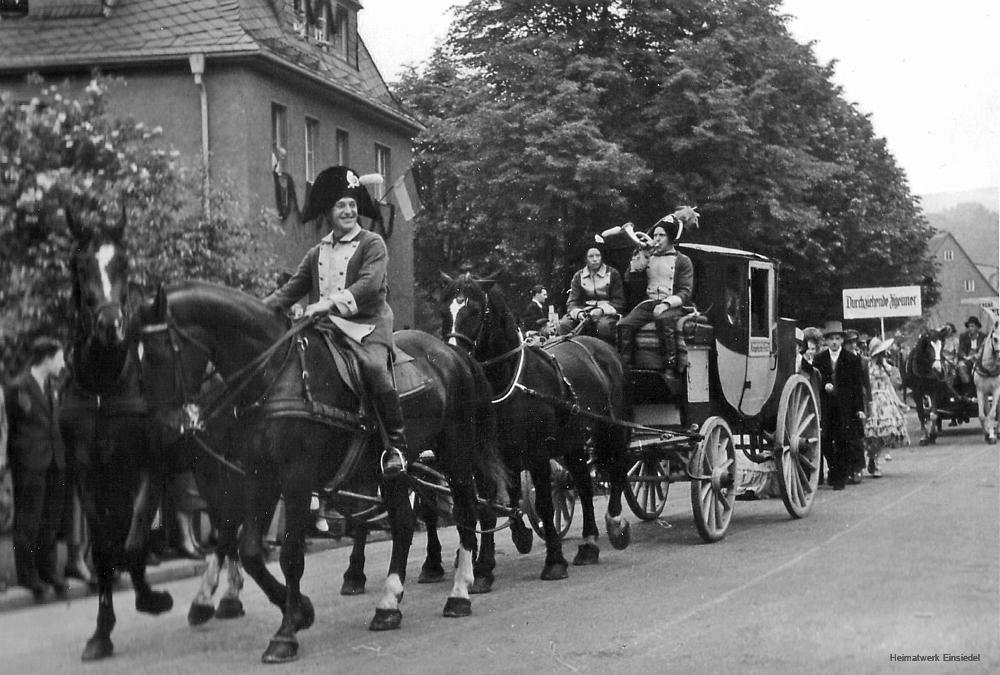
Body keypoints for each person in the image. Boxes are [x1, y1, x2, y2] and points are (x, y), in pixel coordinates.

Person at [264, 165, 407, 477]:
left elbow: (369, 285)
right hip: (329, 330)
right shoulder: (317, 250)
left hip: (368, 327)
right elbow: (290, 291)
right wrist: (257, 310)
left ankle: (395, 446)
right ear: (329, 212)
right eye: (341, 205)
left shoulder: (373, 244)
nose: (348, 211)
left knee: (373, 368)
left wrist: (326, 303)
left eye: (353, 205)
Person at [5, 337, 69, 600]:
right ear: (47, 358)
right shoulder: (19, 387)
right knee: (28, 521)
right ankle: (28, 575)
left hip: (54, 461)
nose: (63, 363)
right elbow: (10, 426)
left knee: (50, 521)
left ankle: (48, 571)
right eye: (60, 358)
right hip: (30, 463)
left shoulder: (52, 386)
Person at [616, 214, 694, 371]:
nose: (657, 239)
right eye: (655, 235)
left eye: (662, 235)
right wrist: (640, 258)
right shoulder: (648, 256)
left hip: (673, 305)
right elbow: (630, 281)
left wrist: (666, 304)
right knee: (624, 325)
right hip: (649, 303)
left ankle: (670, 368)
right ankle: (626, 367)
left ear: (671, 237)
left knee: (664, 322)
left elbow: (686, 291)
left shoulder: (683, 260)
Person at [812, 321, 866, 491]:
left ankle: (839, 478)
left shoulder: (852, 359)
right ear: (826, 341)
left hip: (846, 407)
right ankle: (834, 469)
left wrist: (859, 409)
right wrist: (824, 385)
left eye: (837, 338)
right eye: (831, 339)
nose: (834, 342)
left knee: (843, 441)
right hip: (827, 407)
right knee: (826, 441)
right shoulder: (819, 358)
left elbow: (857, 386)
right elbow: (814, 381)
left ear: (842, 340)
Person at [558, 246, 625, 342]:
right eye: (591, 256)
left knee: (603, 326)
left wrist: (601, 310)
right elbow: (572, 302)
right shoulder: (578, 276)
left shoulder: (613, 274)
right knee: (564, 324)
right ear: (586, 259)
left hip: (607, 312)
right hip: (585, 312)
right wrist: (579, 313)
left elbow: (619, 301)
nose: (595, 259)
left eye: (597, 255)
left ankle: (605, 354)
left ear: (602, 257)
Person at [864, 336, 910, 477]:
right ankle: (872, 457)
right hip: (873, 401)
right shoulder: (866, 366)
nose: (882, 355)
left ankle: (877, 462)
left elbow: (890, 386)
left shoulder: (886, 366)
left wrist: (898, 402)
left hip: (886, 402)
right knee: (873, 435)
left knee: (887, 434)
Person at [957, 315, 987, 387]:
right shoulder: (963, 336)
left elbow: (984, 349)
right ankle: (967, 389)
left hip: (980, 359)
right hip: (966, 359)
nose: (970, 328)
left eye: (972, 326)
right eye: (969, 326)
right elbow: (960, 350)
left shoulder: (983, 336)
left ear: (977, 327)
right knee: (961, 367)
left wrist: (977, 356)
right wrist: (965, 357)